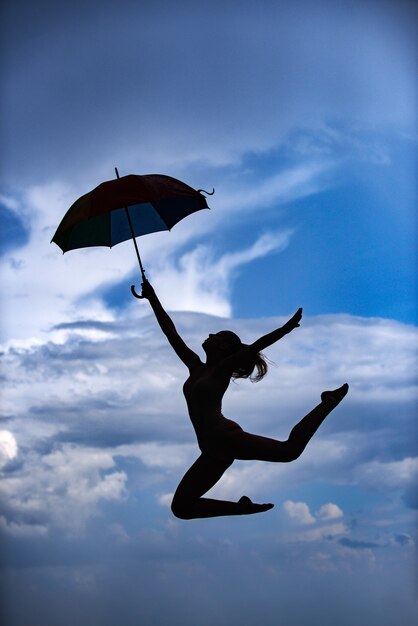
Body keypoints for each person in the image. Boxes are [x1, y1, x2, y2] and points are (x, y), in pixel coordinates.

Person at [140, 279, 349, 519]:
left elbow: (257, 345)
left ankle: (328, 402)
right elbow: (170, 332)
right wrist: (152, 297)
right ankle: (241, 508)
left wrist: (286, 329)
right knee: (181, 508)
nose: (210, 335)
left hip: (224, 437)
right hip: (211, 450)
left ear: (226, 349)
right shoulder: (195, 366)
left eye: (217, 336)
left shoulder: (222, 370)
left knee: (289, 451)